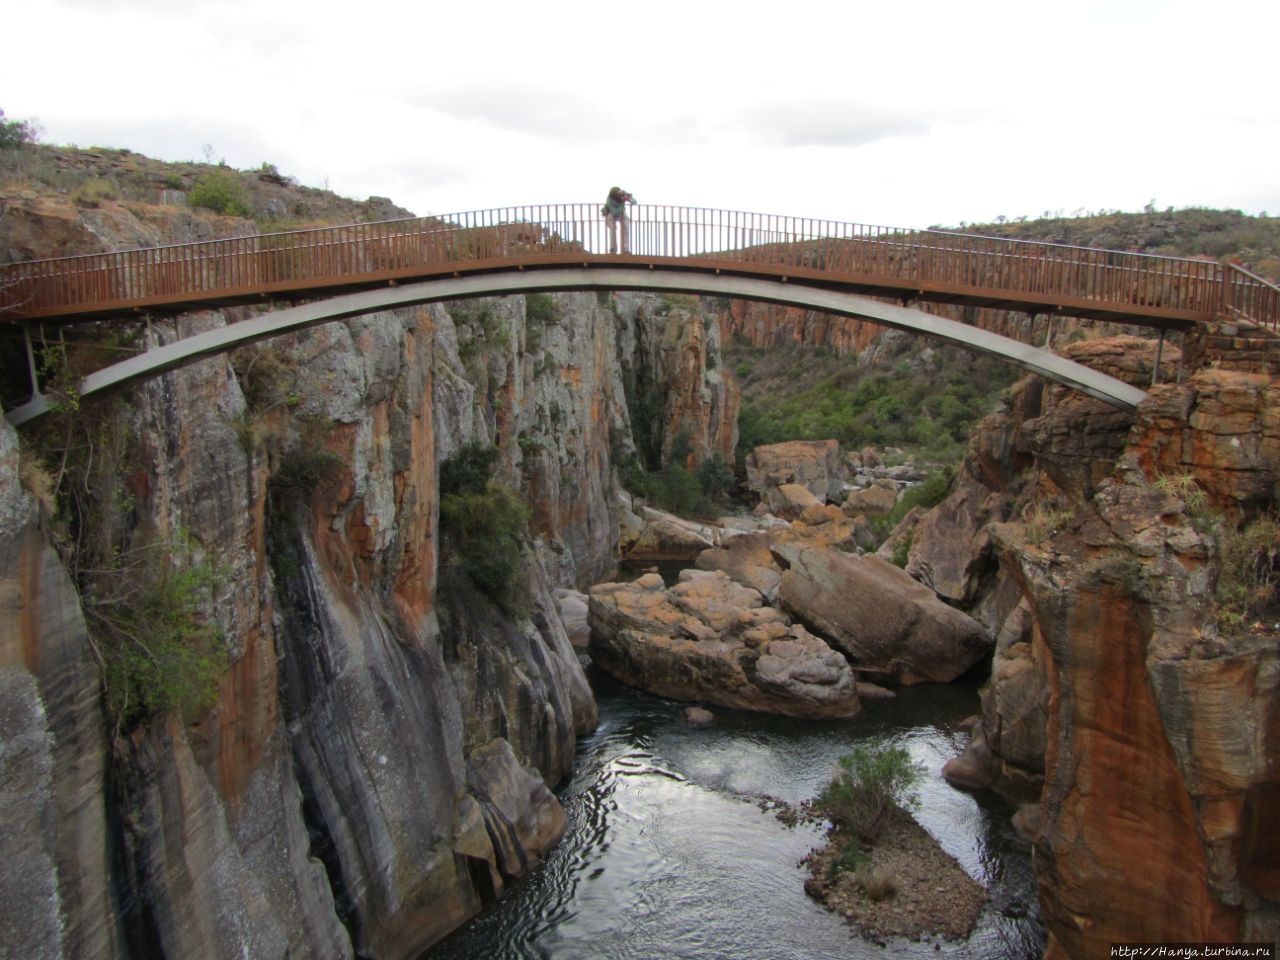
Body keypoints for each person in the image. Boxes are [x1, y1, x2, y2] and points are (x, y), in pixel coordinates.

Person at [602, 186, 636, 254]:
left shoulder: (623, 193)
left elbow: (634, 201)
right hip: (611, 212)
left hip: (621, 212)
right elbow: (614, 213)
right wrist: (622, 203)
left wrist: (631, 200)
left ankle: (625, 249)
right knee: (613, 228)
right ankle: (613, 249)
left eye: (620, 195)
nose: (620, 197)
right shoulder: (609, 200)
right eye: (618, 196)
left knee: (625, 227)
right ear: (614, 197)